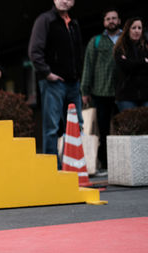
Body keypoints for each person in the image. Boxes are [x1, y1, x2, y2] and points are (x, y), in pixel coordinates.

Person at [28, 0, 84, 169]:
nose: (64, 1)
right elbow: (34, 51)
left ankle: (73, 167)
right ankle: (53, 169)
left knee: (76, 125)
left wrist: (78, 75)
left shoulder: (74, 23)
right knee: (51, 127)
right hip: (53, 83)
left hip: (73, 83)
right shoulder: (45, 20)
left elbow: (79, 52)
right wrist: (47, 73)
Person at [80, 8, 122, 173]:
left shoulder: (126, 40)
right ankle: (105, 164)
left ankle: (122, 163)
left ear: (119, 21)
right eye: (108, 19)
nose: (111, 21)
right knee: (103, 131)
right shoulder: (95, 41)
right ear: (104, 22)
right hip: (101, 92)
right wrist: (84, 91)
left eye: (114, 18)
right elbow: (88, 66)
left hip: (123, 92)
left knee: (123, 130)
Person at [113, 17, 148, 112]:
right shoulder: (120, 48)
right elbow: (125, 66)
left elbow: (130, 65)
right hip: (126, 96)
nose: (137, 31)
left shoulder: (145, 47)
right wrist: (144, 61)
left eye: (139, 28)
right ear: (128, 30)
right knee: (129, 126)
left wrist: (132, 63)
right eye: (134, 28)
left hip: (145, 95)